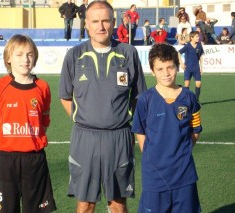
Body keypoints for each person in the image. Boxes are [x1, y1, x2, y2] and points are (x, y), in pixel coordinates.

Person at [59, 1, 147, 212]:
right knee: (85, 204)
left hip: (119, 138)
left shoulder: (128, 53)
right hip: (85, 138)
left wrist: (122, 118)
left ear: (114, 23)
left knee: (118, 205)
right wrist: (84, 118)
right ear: (86, 24)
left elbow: (139, 96)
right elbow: (65, 97)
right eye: (95, 21)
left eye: (106, 20)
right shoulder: (74, 55)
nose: (101, 26)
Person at [0, 34, 57, 213]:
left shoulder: (43, 87)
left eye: (30, 54)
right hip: (7, 159)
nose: (25, 59)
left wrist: (31, 141)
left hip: (35, 158)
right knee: (6, 209)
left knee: (37, 209)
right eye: (19, 54)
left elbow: (43, 122)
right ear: (9, 58)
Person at [132, 43, 202, 213]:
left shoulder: (189, 97)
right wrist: (150, 154)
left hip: (184, 173)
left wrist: (183, 150)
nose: (166, 73)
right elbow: (139, 130)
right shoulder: (145, 99)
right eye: (160, 68)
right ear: (152, 70)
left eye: (170, 67)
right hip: (155, 175)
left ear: (177, 67)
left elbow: (196, 129)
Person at [178, 31, 204, 101]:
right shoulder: (187, 46)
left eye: (198, 36)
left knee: (198, 84)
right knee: (187, 84)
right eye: (196, 37)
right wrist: (181, 63)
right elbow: (179, 53)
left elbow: (201, 56)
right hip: (188, 68)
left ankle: (196, 100)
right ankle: (186, 100)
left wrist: (201, 67)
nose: (198, 38)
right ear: (192, 38)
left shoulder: (199, 45)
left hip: (196, 68)